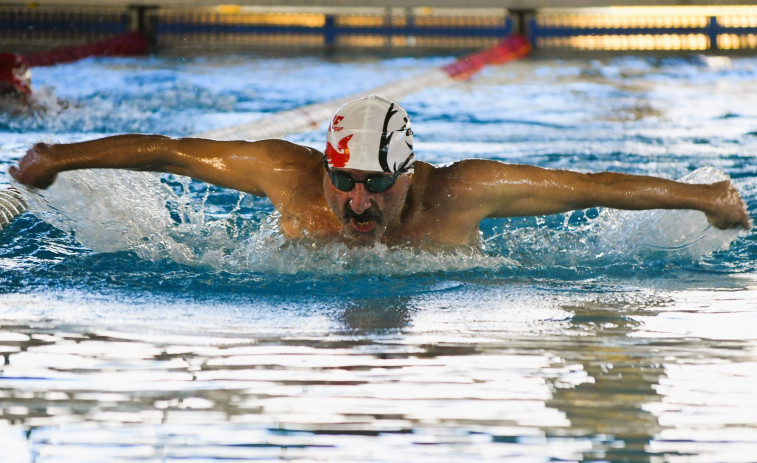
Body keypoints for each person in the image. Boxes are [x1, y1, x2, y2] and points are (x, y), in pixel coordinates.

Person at [9, 95, 752, 248]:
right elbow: (172, 151)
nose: (356, 203)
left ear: (410, 172)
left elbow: (587, 189)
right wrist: (56, 158)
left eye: (376, 185)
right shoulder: (288, 173)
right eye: (345, 182)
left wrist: (703, 198)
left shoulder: (461, 192)